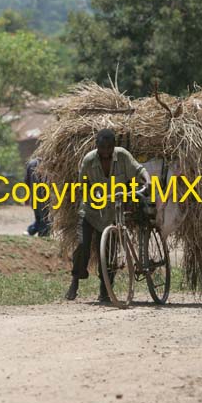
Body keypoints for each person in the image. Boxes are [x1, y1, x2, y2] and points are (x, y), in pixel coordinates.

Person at [65, 128, 151, 302]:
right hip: (90, 211)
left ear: (114, 146)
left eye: (109, 148)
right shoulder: (89, 160)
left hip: (113, 211)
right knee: (83, 245)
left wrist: (147, 181)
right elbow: (83, 184)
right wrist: (95, 195)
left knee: (110, 252)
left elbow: (139, 169)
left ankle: (105, 290)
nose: (105, 151)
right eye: (102, 148)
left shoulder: (123, 156)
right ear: (96, 146)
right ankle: (76, 279)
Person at [24, 157, 52, 237]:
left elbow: (26, 181)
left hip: (35, 196)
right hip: (45, 197)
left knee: (39, 217)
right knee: (45, 219)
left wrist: (27, 197)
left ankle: (30, 231)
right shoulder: (48, 164)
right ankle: (42, 236)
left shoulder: (31, 163)